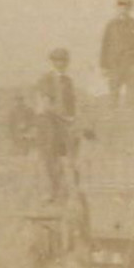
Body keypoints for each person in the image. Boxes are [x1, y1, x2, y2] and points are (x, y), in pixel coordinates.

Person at [33, 48, 84, 203]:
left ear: (67, 63)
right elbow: (46, 104)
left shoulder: (68, 81)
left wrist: (73, 119)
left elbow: (72, 104)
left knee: (70, 156)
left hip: (64, 123)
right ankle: (50, 193)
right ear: (53, 62)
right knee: (50, 157)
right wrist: (65, 118)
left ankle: (66, 190)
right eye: (57, 60)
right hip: (49, 123)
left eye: (63, 61)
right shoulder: (47, 79)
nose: (60, 64)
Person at [100, 0, 134, 109]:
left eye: (126, 7)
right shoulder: (111, 25)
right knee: (113, 97)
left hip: (131, 65)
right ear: (116, 7)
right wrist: (104, 66)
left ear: (130, 9)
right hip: (114, 65)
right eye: (120, 6)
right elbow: (105, 46)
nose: (123, 9)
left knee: (131, 98)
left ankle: (131, 123)